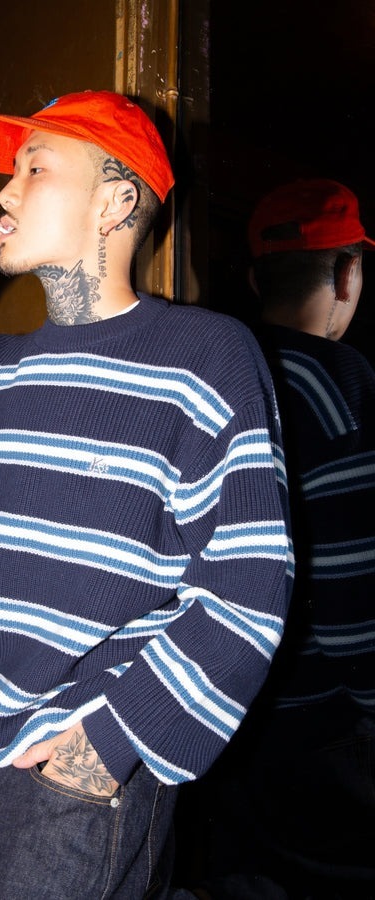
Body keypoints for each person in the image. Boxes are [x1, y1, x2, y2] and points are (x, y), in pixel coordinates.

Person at [0, 90, 291, 899]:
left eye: (34, 167)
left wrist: (106, 745)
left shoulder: (205, 357)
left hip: (76, 778)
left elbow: (248, 586)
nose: (6, 191)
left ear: (114, 202)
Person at [191, 178, 375, 899]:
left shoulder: (211, 373)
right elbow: (353, 588)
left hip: (213, 717)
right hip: (317, 732)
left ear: (254, 278)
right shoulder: (341, 386)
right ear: (348, 274)